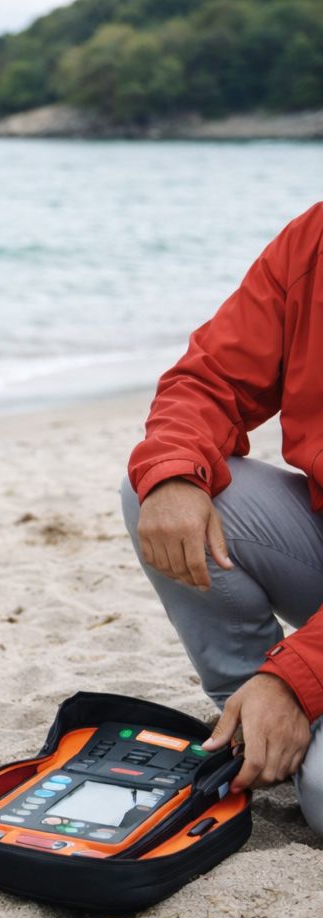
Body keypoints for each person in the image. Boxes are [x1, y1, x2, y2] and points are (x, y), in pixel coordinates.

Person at [120, 202, 323, 834]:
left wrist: (296, 676)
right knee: (160, 492)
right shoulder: (314, 239)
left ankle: (289, 709)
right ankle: (260, 727)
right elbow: (209, 380)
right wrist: (176, 472)